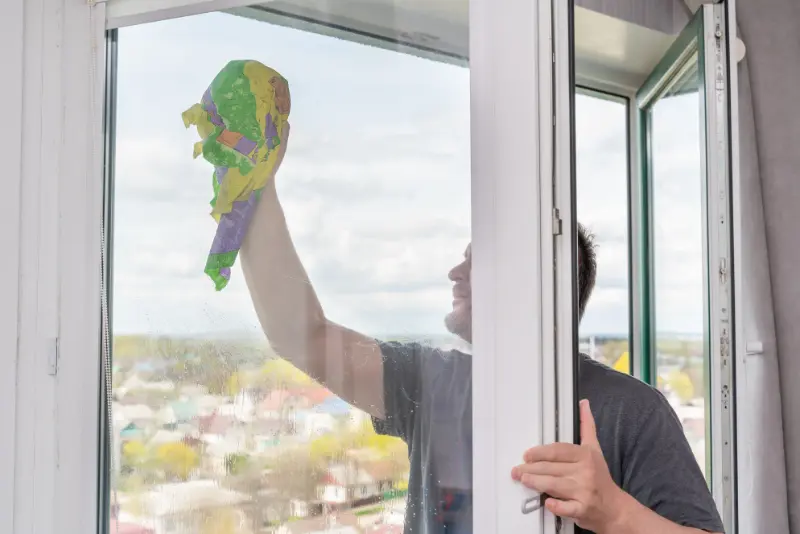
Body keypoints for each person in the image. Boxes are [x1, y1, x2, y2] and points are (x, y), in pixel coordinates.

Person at [240, 125, 724, 534]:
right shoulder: (433, 380)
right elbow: (298, 333)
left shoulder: (631, 412)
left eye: (477, 263)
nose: (455, 274)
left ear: (536, 287)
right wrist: (253, 183)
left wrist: (615, 511)